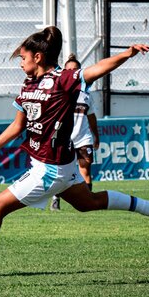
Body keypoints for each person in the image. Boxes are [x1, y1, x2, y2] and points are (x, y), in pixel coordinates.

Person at [0, 26, 149, 283]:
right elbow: (17, 127)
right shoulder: (29, 84)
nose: (20, 63)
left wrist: (126, 54)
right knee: (88, 203)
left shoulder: (64, 79)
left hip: (50, 169)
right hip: (60, 165)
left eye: (23, 57)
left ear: (37, 57)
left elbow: (97, 69)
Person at [50, 53, 100, 211]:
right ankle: (55, 198)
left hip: (83, 138)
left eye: (75, 70)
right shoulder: (58, 93)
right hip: (64, 139)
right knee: (61, 172)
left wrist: (95, 136)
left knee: (85, 168)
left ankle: (87, 201)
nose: (72, 72)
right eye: (68, 69)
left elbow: (91, 117)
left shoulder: (86, 96)